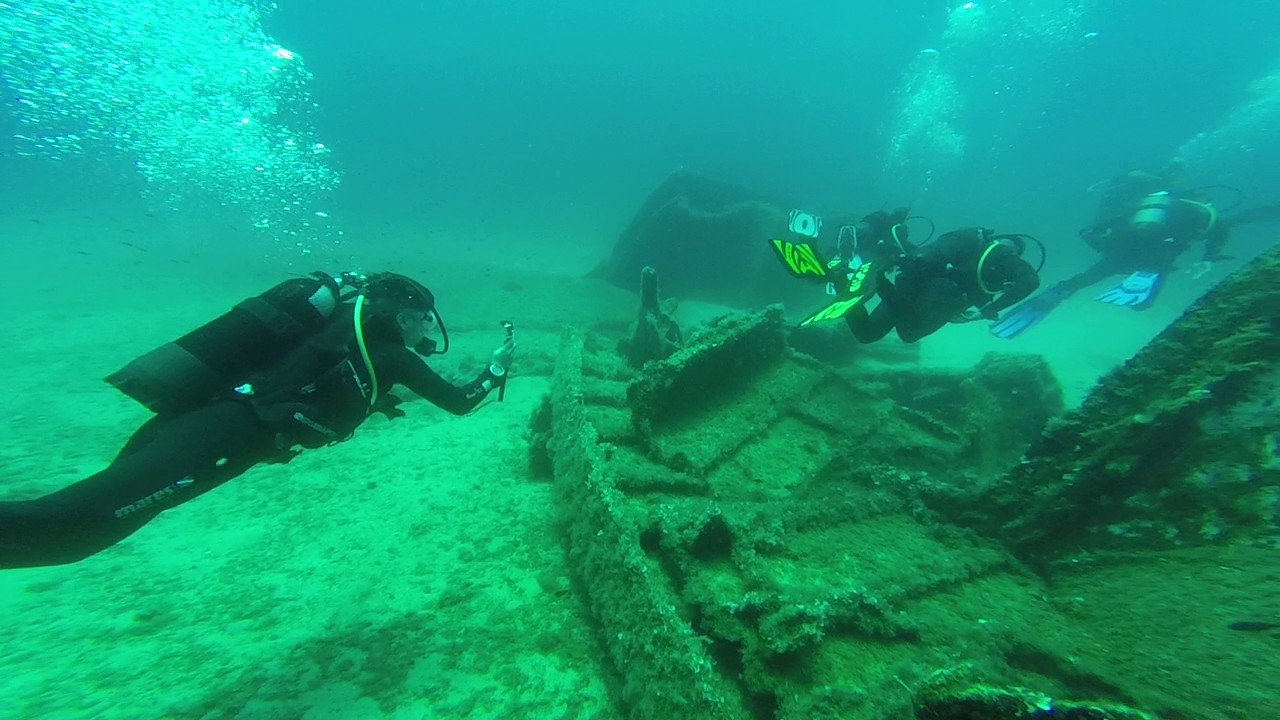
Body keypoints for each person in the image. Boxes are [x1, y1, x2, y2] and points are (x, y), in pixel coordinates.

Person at [0, 272, 515, 569]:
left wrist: (372, 402)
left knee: (74, 533)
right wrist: (495, 369)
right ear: (403, 316)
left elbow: (308, 381)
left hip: (203, 423)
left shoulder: (340, 337)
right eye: (424, 318)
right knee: (62, 526)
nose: (427, 330)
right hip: (217, 439)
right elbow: (461, 402)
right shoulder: (389, 354)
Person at [992, 169, 1228, 339]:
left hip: (1120, 254)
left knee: (1087, 278)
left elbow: (1102, 228)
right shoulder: (1196, 208)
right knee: (1145, 295)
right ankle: (1141, 293)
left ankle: (1061, 290)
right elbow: (1218, 229)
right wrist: (1208, 258)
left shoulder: (1138, 204)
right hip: (1156, 261)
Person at [845, 227, 1041, 344]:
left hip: (914, 278)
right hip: (945, 293)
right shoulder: (1004, 254)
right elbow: (1031, 281)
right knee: (909, 332)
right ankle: (879, 281)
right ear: (1014, 248)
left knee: (867, 333)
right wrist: (989, 310)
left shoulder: (971, 247)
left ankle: (841, 283)